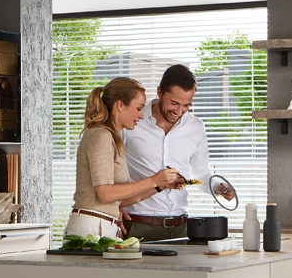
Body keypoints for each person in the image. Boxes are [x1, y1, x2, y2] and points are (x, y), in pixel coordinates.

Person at [120, 64, 236, 242]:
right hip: (137, 225)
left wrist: (219, 187)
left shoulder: (196, 127)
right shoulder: (132, 121)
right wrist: (114, 206)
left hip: (181, 227)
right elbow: (111, 170)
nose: (178, 111)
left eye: (186, 105)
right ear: (160, 92)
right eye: (174, 103)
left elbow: (201, 174)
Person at [66, 77, 179, 239]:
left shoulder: (113, 139)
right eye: (139, 108)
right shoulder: (100, 136)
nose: (141, 116)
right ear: (120, 105)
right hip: (91, 228)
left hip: (102, 226)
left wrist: (159, 186)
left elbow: (120, 200)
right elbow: (105, 194)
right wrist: (153, 180)